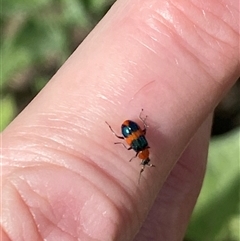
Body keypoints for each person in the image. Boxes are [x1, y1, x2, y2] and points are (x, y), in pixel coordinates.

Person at [1, 0, 239, 240]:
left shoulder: (142, 147)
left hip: (130, 128)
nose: (145, 159)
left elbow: (137, 136)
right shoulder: (141, 148)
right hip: (129, 128)